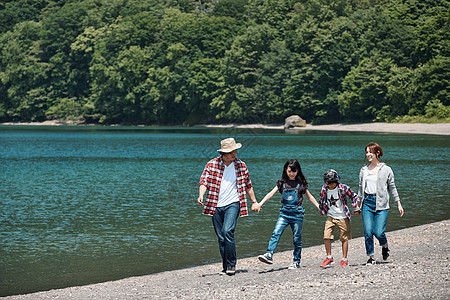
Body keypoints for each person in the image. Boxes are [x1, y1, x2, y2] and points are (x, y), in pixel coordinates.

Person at [197, 137, 258, 276]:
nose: (235, 154)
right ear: (224, 153)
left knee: (227, 231)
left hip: (234, 203)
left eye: (235, 150)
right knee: (221, 237)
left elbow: (248, 185)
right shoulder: (211, 164)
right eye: (232, 152)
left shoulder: (241, 166)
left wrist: (254, 201)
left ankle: (231, 264)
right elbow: (204, 181)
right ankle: (225, 267)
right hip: (215, 204)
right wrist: (201, 195)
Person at [253, 159, 319, 269]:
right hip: (284, 214)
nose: (291, 173)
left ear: (298, 171)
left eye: (293, 171)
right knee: (276, 233)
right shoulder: (282, 183)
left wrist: (319, 207)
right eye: (289, 171)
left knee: (296, 238)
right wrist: (260, 204)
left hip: (297, 214)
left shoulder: (301, 184)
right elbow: (271, 193)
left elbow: (309, 197)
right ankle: (269, 254)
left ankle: (296, 261)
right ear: (285, 170)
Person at [355, 142, 404, 265]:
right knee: (368, 231)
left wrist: (398, 203)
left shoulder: (386, 169)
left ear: (377, 153)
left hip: (382, 204)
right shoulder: (363, 170)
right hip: (367, 203)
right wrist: (358, 204)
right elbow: (360, 189)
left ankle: (384, 245)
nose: (368, 154)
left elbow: (392, 188)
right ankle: (371, 257)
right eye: (366, 152)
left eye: (370, 152)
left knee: (378, 232)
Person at [318, 169, 358, 268]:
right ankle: (329, 257)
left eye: (332, 183)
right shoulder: (324, 188)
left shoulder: (343, 188)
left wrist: (355, 207)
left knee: (344, 238)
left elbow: (354, 196)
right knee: (326, 236)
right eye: (328, 183)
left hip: (342, 216)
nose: (330, 185)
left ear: (336, 181)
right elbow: (321, 199)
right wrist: (322, 209)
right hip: (330, 215)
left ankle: (344, 259)